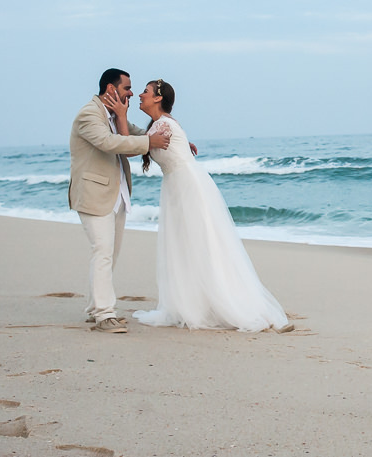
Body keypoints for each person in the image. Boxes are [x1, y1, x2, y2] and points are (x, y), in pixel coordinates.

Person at [112, 79, 290, 332]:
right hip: (178, 186)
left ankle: (222, 303)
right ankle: (196, 302)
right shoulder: (160, 125)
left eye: (146, 92)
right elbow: (143, 143)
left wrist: (121, 114)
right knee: (188, 245)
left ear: (158, 98)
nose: (140, 95)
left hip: (186, 187)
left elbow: (129, 149)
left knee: (198, 244)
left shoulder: (163, 124)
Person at [69, 68, 171, 334]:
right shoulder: (88, 114)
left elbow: (137, 134)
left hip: (117, 194)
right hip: (94, 194)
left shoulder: (115, 115)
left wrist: (178, 142)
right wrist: (148, 141)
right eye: (127, 88)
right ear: (111, 89)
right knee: (102, 252)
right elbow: (110, 142)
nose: (131, 93)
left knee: (108, 255)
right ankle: (105, 315)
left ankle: (94, 309)